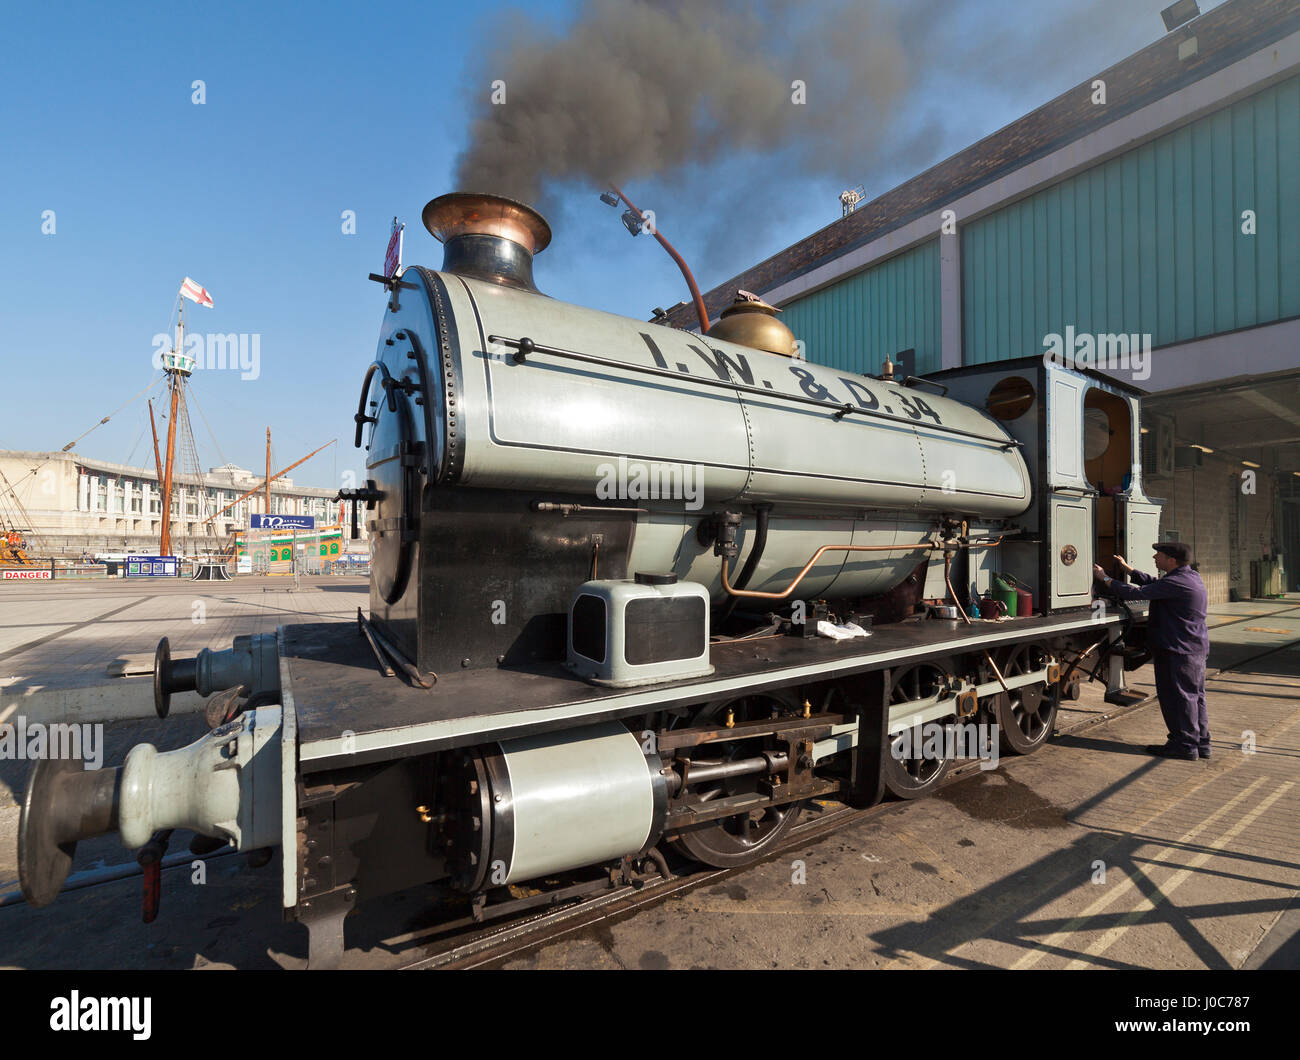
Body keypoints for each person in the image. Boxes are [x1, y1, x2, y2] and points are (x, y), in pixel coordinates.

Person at [1093, 542, 1210, 760]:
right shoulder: (1189, 577)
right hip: (1192, 649)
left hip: (1178, 651)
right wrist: (1129, 570)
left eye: (1160, 555)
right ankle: (1201, 743)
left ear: (1172, 560)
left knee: (1178, 698)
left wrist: (1105, 579)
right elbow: (1156, 584)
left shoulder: (1178, 582)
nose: (1155, 557)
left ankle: (1184, 745)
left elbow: (1135, 594)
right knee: (1195, 697)